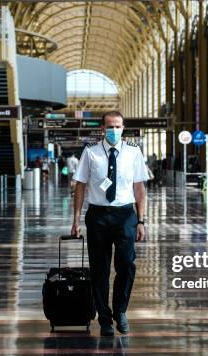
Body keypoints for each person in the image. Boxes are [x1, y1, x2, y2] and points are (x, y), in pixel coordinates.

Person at [71, 111, 148, 337]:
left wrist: (141, 220)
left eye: (118, 126)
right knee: (100, 269)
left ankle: (120, 311)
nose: (114, 130)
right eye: (110, 126)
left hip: (125, 216)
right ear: (102, 129)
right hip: (98, 217)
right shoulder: (91, 153)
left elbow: (139, 189)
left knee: (126, 265)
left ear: (123, 128)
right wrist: (76, 219)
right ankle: (104, 319)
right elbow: (80, 186)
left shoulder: (134, 153)